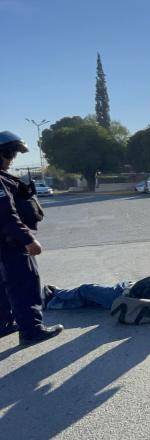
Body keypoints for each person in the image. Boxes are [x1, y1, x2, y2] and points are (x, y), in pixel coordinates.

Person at [0, 131, 63, 345]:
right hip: (11, 243)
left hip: (4, 243)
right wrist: (28, 239)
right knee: (24, 284)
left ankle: (4, 323)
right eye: (10, 155)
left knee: (3, 284)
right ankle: (32, 331)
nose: (12, 160)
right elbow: (6, 214)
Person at [43, 261, 150, 314]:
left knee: (87, 289)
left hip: (122, 294)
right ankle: (53, 302)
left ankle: (56, 294)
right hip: (128, 287)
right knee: (89, 301)